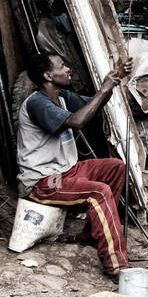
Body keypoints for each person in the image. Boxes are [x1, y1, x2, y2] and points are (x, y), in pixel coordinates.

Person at [19, 51, 133, 277]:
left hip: (66, 171)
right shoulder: (37, 104)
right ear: (48, 75)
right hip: (42, 182)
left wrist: (112, 82)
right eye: (62, 66)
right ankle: (117, 266)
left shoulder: (62, 97)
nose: (68, 69)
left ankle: (91, 235)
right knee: (99, 192)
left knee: (115, 167)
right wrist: (103, 87)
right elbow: (78, 121)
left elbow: (93, 106)